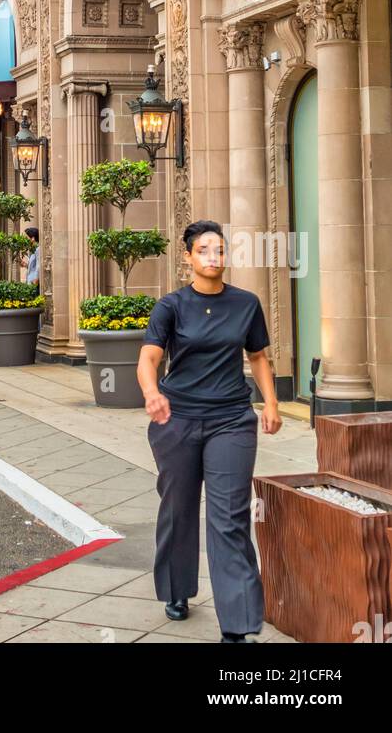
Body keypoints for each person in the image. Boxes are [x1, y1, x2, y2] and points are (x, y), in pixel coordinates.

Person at [137, 219, 281, 645]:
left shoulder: (246, 303)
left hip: (231, 419)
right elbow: (149, 358)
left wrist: (271, 403)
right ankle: (177, 589)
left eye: (219, 249)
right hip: (177, 419)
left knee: (230, 518)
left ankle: (237, 625)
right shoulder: (171, 306)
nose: (213, 257)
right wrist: (151, 393)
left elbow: (257, 356)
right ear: (188, 257)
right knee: (178, 507)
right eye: (203, 250)